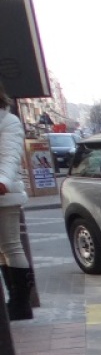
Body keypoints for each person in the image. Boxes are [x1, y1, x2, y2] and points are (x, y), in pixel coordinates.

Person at [0, 80, 33, 320]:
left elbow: (10, 157)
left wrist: (2, 181)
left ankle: (21, 303)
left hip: (4, 194)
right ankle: (14, 300)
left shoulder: (7, 121)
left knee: (11, 246)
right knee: (2, 250)